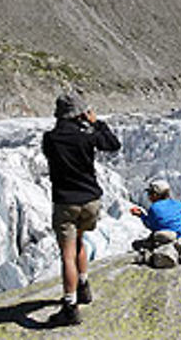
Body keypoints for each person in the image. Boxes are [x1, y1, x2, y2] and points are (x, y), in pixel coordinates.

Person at [42, 91, 121, 326]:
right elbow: (113, 144)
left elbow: (50, 156)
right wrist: (97, 123)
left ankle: (70, 306)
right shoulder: (87, 136)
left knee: (67, 254)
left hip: (66, 202)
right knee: (79, 241)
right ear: (79, 114)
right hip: (90, 201)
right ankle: (83, 285)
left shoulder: (50, 138)